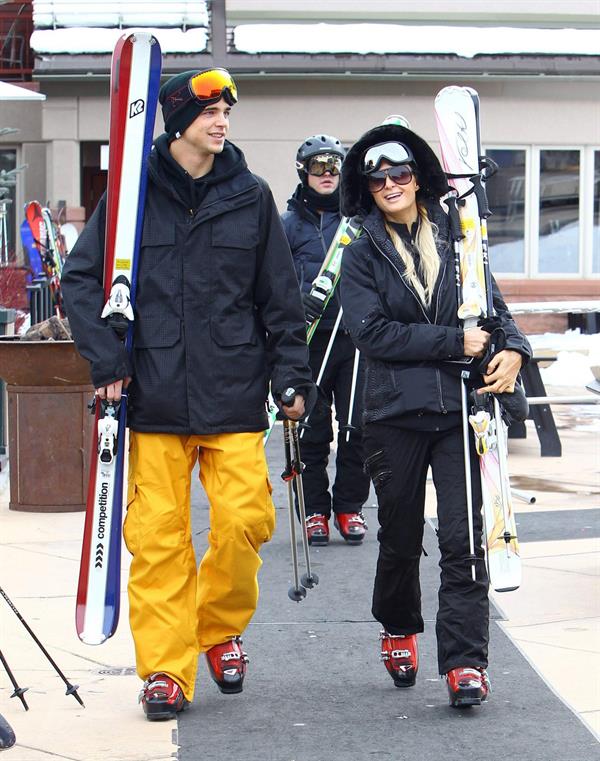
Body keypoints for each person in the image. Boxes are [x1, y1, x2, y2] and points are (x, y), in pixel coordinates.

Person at [61, 69, 315, 721]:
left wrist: (291, 374)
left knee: (245, 521)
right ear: (179, 122)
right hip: (152, 395)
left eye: (227, 110)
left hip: (233, 391)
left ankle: (218, 625)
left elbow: (281, 301)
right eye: (209, 112)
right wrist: (105, 359)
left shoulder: (250, 197)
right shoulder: (129, 200)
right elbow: (83, 281)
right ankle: (166, 671)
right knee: (158, 537)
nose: (222, 121)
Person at [339, 123, 531, 706]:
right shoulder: (361, 247)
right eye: (379, 179)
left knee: (463, 537)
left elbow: (492, 307)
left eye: (400, 174)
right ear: (367, 188)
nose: (391, 184)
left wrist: (515, 350)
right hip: (393, 414)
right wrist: (455, 341)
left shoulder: (459, 237)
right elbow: (370, 332)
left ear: (419, 177)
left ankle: (465, 663)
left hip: (459, 412)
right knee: (399, 537)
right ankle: (398, 626)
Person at [281, 134, 371, 546]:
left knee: (357, 428)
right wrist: (298, 302)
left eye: (334, 166)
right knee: (312, 431)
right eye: (318, 167)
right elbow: (273, 282)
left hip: (354, 338)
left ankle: (349, 506)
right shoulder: (287, 225)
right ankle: (314, 510)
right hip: (311, 341)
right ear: (304, 172)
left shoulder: (357, 219)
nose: (328, 174)